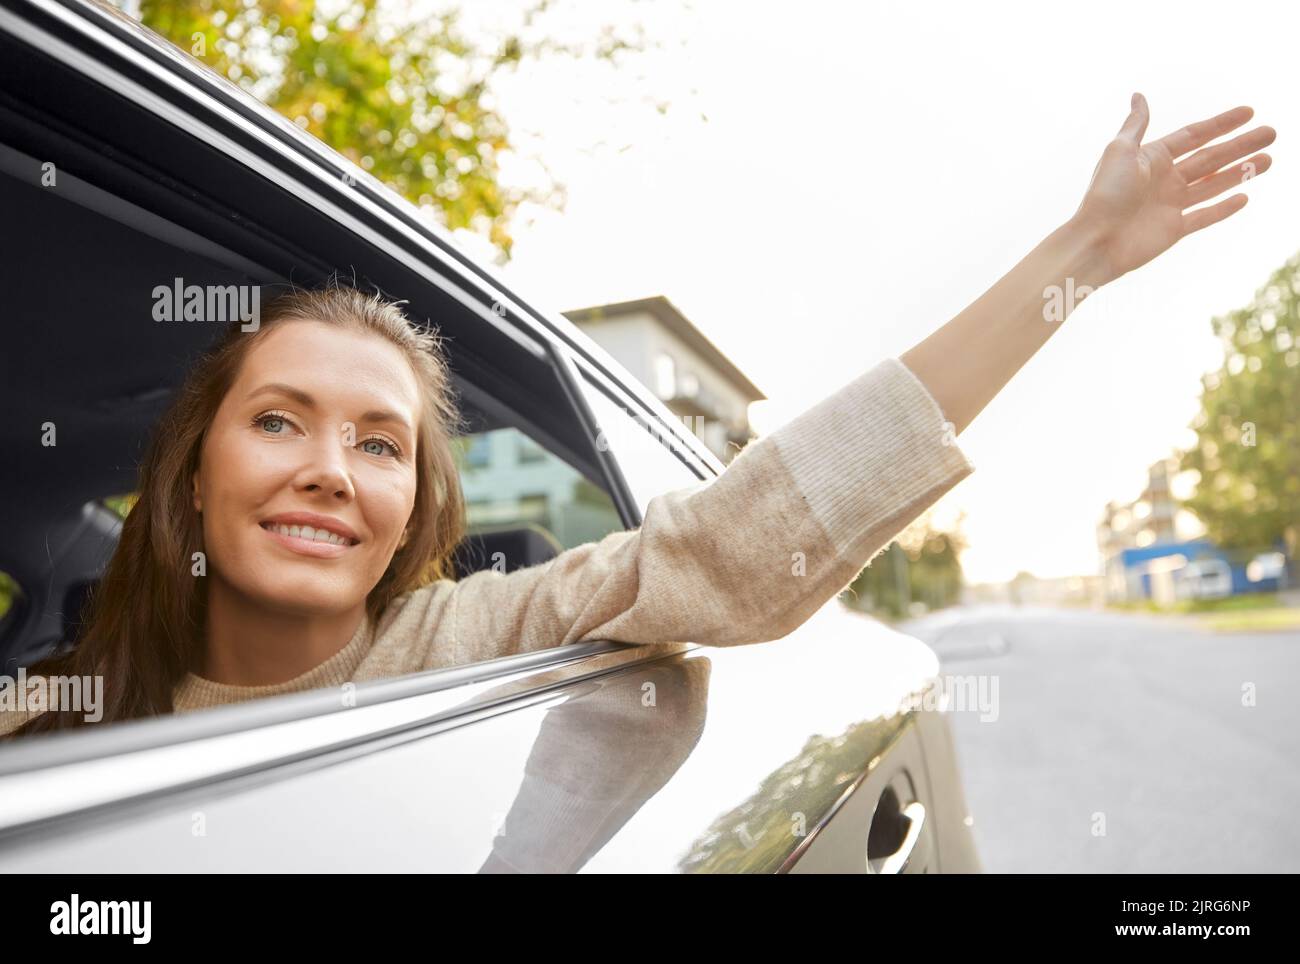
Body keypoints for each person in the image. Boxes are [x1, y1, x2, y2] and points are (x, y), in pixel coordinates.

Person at [0, 94, 1276, 740]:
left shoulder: (471, 635)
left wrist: (1080, 253)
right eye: (279, 421)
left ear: (412, 516)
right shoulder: (55, 708)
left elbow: (737, 538)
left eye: (380, 442)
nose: (333, 468)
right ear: (192, 477)